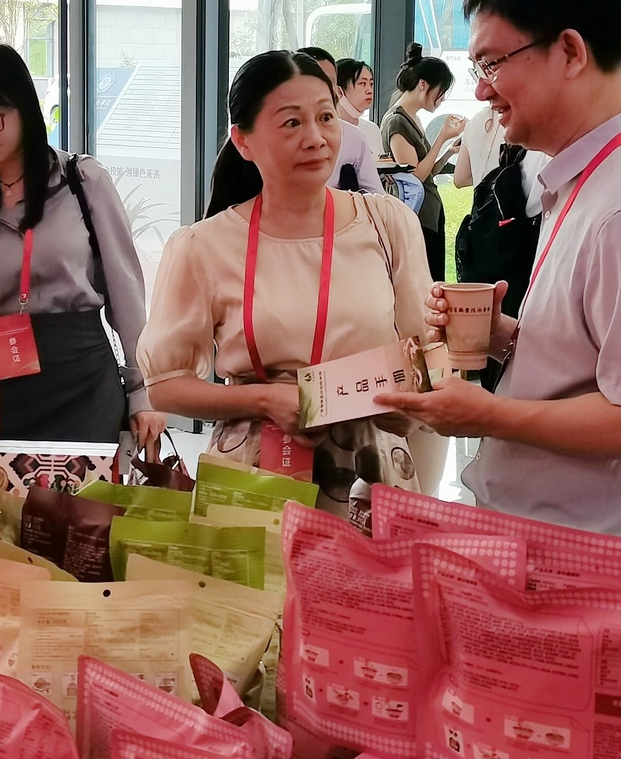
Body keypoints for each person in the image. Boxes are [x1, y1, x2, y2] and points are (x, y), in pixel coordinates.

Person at [374, 0, 621, 556]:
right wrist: (504, 335)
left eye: (492, 64)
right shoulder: (591, 172)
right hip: (563, 539)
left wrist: (484, 413)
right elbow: (599, 363)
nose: (482, 91)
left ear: (570, 51)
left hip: (587, 556)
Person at [139, 51, 432, 514]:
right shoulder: (203, 245)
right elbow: (165, 383)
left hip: (368, 470)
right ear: (243, 140)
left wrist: (411, 400)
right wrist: (265, 399)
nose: (315, 138)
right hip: (253, 473)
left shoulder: (387, 223)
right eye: (292, 123)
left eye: (325, 117)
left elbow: (426, 355)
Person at [0, 44, 163, 447]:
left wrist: (142, 388)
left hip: (80, 376)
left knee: (85, 490)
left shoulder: (82, 182)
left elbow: (125, 293)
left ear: (23, 107)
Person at [382, 46, 466, 279]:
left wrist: (448, 152)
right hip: (418, 217)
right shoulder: (397, 122)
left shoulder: (412, 119)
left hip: (430, 212)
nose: (441, 99)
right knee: (425, 283)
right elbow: (415, 175)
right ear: (423, 85)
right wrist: (442, 137)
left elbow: (427, 171)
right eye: (440, 91)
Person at [298, 46, 380, 194]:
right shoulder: (277, 135)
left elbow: (377, 197)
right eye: (312, 81)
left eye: (328, 82)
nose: (321, 89)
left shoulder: (354, 137)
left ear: (338, 91)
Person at [335, 58, 383, 153]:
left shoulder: (373, 130)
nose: (369, 90)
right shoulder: (327, 132)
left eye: (371, 84)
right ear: (339, 91)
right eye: (362, 83)